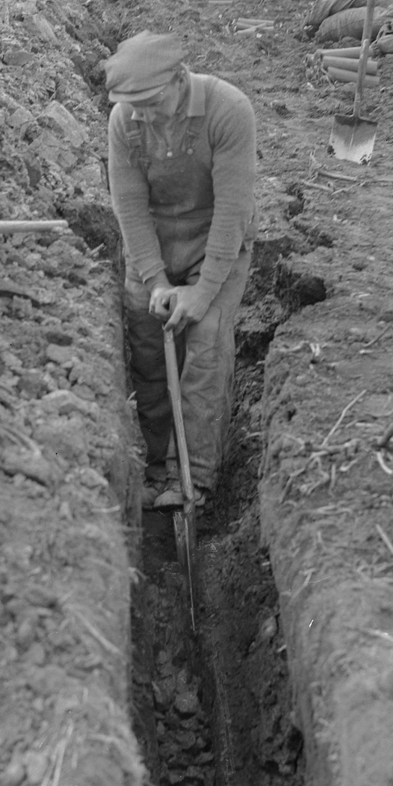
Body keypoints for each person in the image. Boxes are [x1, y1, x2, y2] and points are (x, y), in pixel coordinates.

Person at [105, 30, 257, 510]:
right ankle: (156, 470)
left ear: (178, 79)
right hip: (154, 245)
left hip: (218, 241)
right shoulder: (123, 120)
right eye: (133, 106)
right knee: (149, 352)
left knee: (205, 346)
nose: (142, 115)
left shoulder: (228, 109)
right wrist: (155, 281)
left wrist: (202, 290)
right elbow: (129, 206)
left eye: (150, 103)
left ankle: (197, 478)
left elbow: (233, 210)